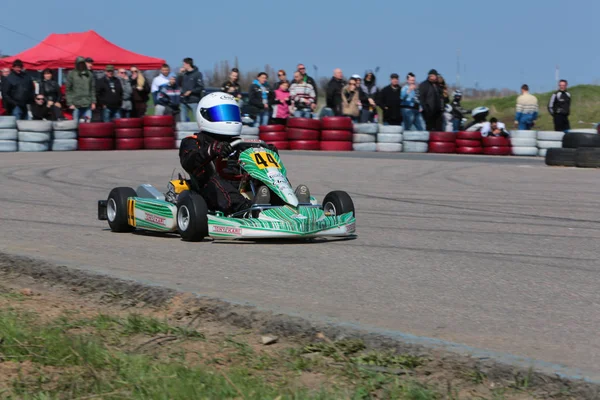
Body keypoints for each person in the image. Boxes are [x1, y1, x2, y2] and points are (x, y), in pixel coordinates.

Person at [65, 57, 96, 122]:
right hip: (76, 105)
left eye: (82, 63)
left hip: (87, 104)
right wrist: (70, 103)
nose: (81, 65)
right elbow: (68, 90)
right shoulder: (71, 74)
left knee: (87, 124)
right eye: (79, 63)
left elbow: (92, 89)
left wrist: (93, 102)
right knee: (75, 124)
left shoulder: (89, 74)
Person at [177, 57, 205, 122]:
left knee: (196, 120)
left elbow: (200, 87)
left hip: (194, 100)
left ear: (188, 64)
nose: (183, 66)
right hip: (183, 101)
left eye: (184, 64)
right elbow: (178, 83)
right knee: (183, 121)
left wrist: (191, 91)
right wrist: (180, 74)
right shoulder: (184, 74)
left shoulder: (197, 74)